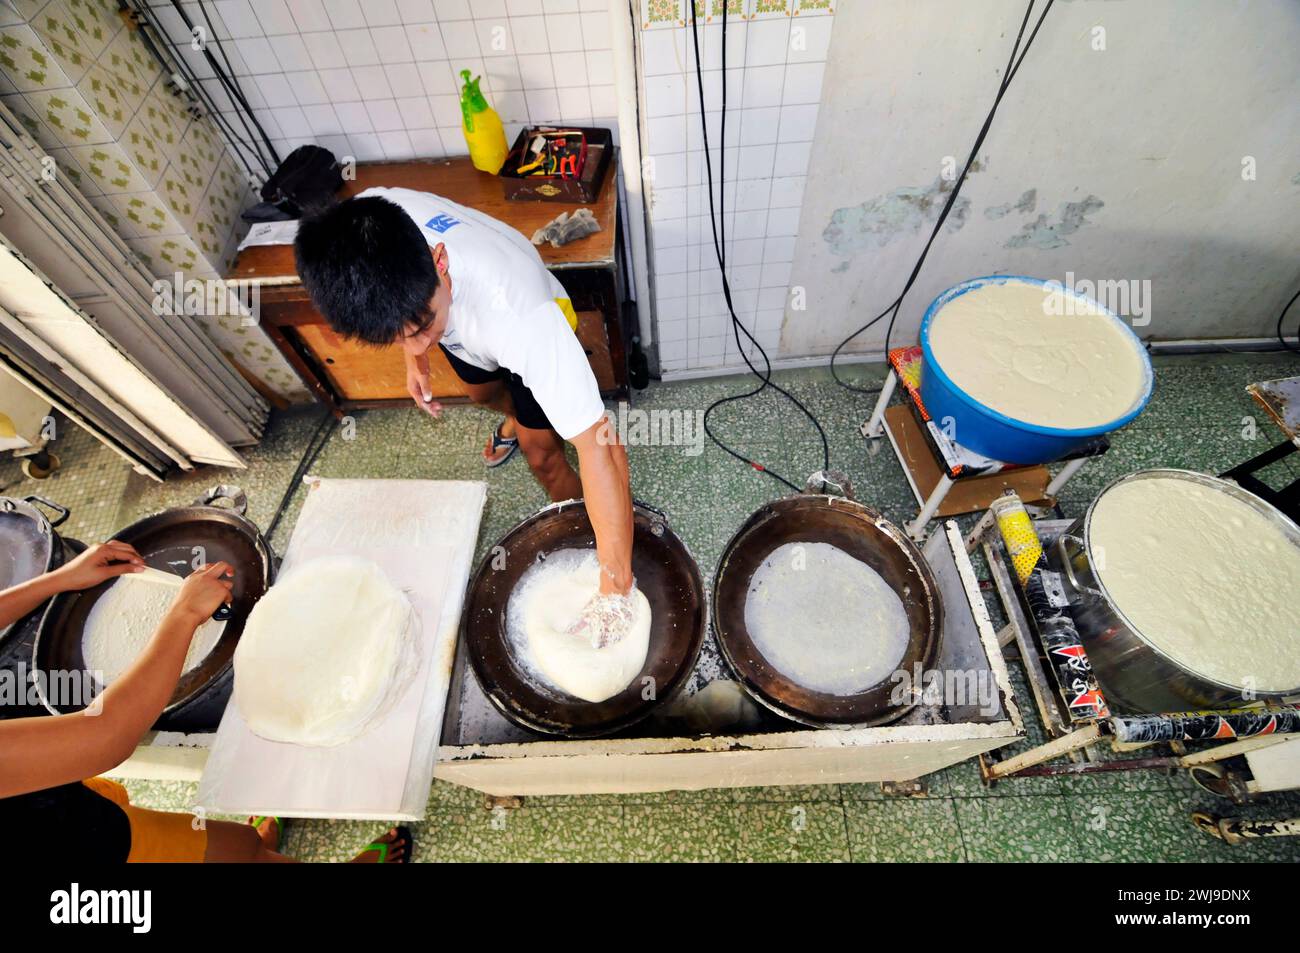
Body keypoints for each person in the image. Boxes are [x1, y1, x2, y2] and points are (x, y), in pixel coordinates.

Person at [295, 189, 637, 641]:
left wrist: (617, 588)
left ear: (440, 260)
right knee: (480, 393)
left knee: (543, 457)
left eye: (420, 330)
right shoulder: (373, 220)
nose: (416, 344)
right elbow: (403, 322)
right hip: (463, 322)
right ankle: (518, 416)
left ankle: (584, 542)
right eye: (395, 338)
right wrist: (414, 356)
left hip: (520, 307)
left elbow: (602, 445)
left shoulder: (522, 320)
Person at [0, 543, 409, 863]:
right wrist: (184, 614)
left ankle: (254, 847)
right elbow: (103, 737)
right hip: (87, 855)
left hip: (53, 803)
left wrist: (56, 581)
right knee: (236, 854)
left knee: (240, 842)